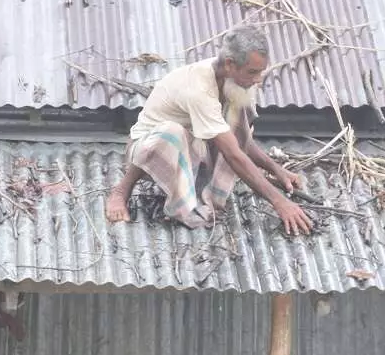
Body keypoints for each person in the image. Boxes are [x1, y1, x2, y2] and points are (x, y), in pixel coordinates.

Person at [103, 26, 315, 236]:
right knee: (172, 133)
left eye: (260, 71)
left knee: (237, 116)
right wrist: (280, 202)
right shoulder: (199, 88)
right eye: (253, 72)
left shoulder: (237, 82)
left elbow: (241, 140)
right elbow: (233, 154)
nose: (258, 79)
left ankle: (199, 191)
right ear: (230, 64)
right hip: (148, 150)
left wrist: (275, 169)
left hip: (192, 148)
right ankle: (121, 190)